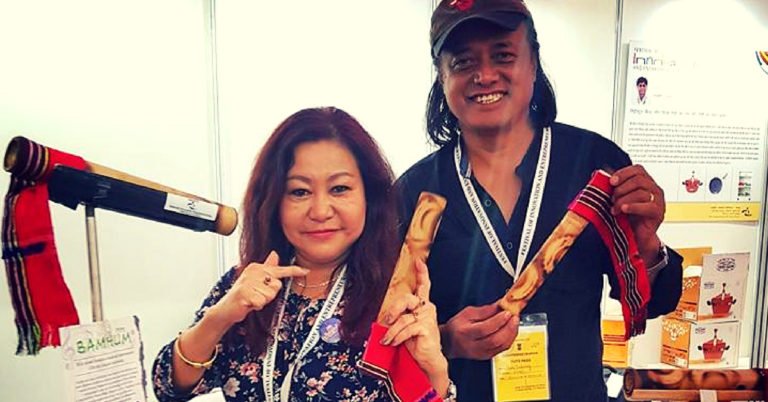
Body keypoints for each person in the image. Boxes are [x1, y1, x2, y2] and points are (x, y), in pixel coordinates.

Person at [395, 1, 683, 401]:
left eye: (503, 55)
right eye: (463, 62)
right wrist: (446, 340)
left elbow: (655, 303)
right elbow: (388, 331)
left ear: (533, 63)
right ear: (441, 77)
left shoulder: (594, 165)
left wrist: (647, 243)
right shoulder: (417, 193)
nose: (485, 75)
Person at [152, 107, 453, 401]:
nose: (320, 211)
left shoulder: (395, 295)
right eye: (299, 191)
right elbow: (167, 388)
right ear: (273, 202)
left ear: (369, 197)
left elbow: (424, 396)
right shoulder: (245, 285)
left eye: (339, 189)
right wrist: (220, 317)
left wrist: (435, 369)